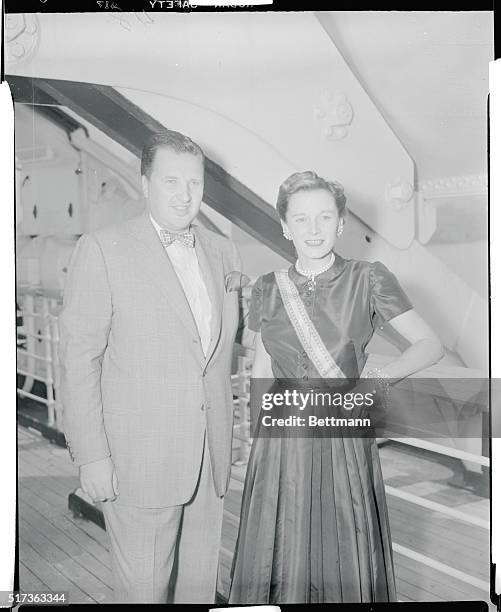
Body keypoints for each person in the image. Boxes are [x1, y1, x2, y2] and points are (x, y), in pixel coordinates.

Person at [228, 170, 443, 604]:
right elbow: (265, 361)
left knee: (341, 548)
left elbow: (430, 345)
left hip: (342, 435)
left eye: (324, 217)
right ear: (285, 226)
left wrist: (370, 385)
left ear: (341, 223)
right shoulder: (268, 288)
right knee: (281, 547)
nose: (313, 230)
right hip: (282, 441)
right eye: (301, 219)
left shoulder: (369, 279)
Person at [59, 130, 242, 603]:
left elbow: (220, 352)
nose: (185, 195)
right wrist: (92, 457)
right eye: (171, 182)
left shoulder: (222, 253)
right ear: (145, 183)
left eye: (195, 183)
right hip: (138, 462)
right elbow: (80, 362)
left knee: (197, 593)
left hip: (209, 460)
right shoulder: (103, 249)